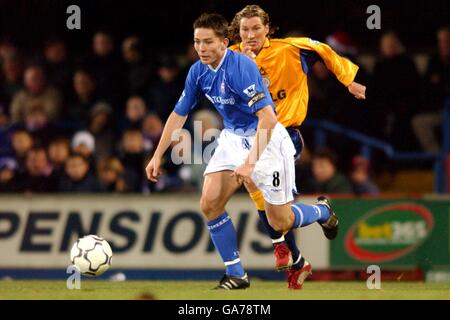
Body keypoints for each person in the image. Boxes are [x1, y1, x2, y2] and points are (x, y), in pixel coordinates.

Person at [145, 13, 338, 290]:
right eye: (197, 42)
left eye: (208, 42)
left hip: (268, 140)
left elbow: (269, 119)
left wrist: (250, 163)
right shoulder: (197, 71)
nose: (201, 48)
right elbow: (179, 114)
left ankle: (321, 211)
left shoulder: (242, 68)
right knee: (209, 202)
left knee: (280, 219)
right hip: (233, 138)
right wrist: (157, 155)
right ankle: (236, 274)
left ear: (224, 43)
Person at [228, 4, 366, 288]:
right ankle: (295, 258)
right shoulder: (232, 56)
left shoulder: (289, 49)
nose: (250, 34)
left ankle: (321, 214)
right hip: (248, 136)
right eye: (245, 30)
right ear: (238, 31)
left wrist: (348, 80)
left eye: (256, 28)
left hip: (282, 136)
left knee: (277, 210)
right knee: (261, 193)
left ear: (268, 28)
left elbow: (323, 49)